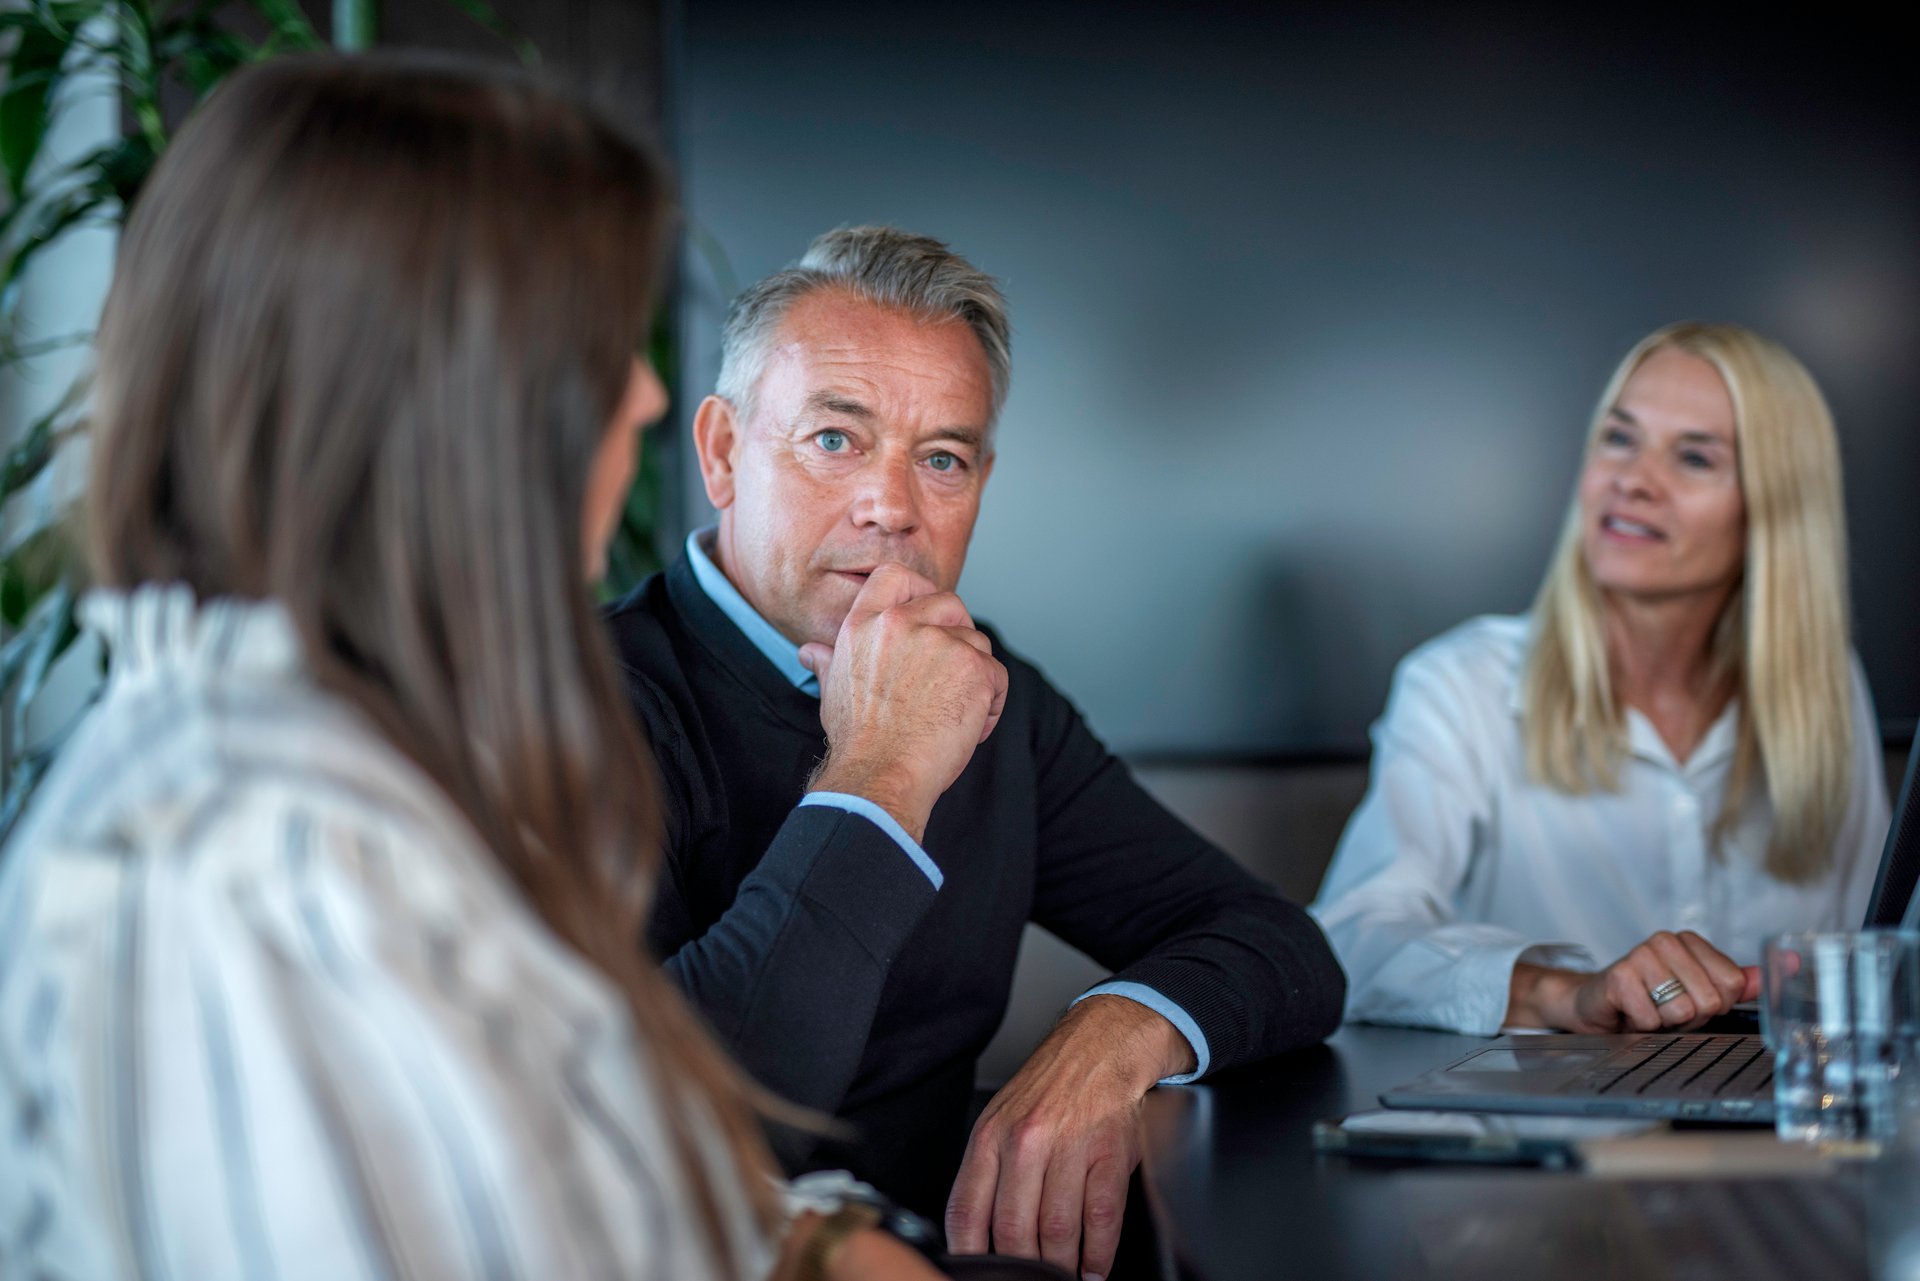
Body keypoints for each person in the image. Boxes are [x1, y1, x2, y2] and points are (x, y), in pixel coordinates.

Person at [0, 56, 941, 1281]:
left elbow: (565, 1159)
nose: (649, 395)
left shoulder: (350, 762)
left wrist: (809, 1243)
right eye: (605, 346)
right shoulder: (258, 867)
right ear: (464, 404)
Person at [604, 225, 1346, 1280]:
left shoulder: (998, 697)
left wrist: (1115, 1032)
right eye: (834, 439)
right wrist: (886, 770)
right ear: (723, 451)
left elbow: (1281, 947)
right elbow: (689, 1137)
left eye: (941, 459)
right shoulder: (587, 705)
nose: (892, 509)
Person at [1311, 322, 1891, 1037]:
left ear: (1774, 509)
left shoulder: (1826, 690)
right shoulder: (1461, 685)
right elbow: (1355, 939)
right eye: (1619, 438)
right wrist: (1567, 992)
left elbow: (1882, 954)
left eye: (1695, 457)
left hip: (1784, 1131)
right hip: (1555, 1137)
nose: (1634, 480)